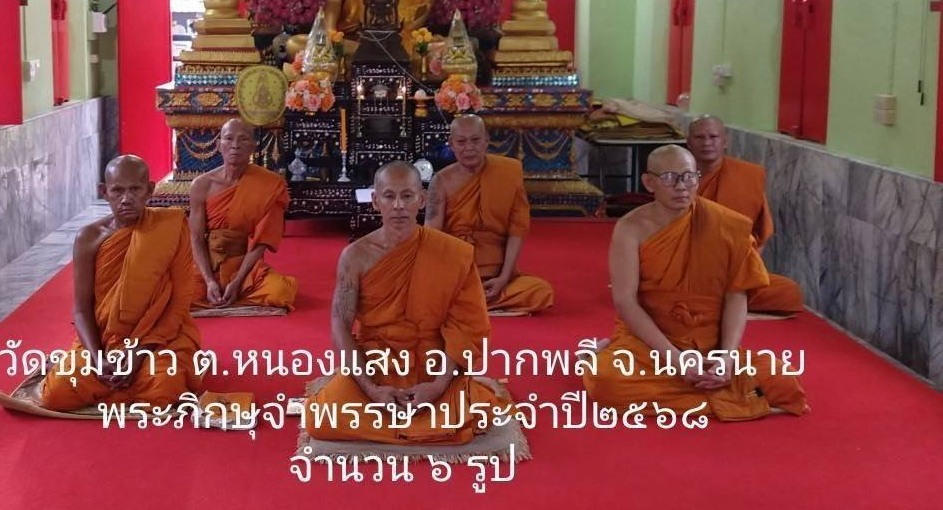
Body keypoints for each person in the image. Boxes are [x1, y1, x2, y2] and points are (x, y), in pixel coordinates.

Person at [582, 145, 807, 420]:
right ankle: (740, 399)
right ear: (649, 183)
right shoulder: (631, 228)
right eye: (669, 178)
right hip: (652, 343)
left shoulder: (726, 225)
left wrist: (726, 358)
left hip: (710, 345)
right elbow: (625, 301)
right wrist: (676, 360)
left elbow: (736, 296)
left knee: (782, 378)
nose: (681, 187)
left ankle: (726, 391)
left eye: (689, 177)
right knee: (607, 382)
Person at [306, 162, 501, 444]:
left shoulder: (452, 253)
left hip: (433, 363)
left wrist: (437, 386)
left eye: (407, 196)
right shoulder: (355, 256)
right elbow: (340, 324)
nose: (398, 206)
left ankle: (418, 419)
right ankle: (425, 427)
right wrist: (371, 389)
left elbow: (466, 325)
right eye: (389, 196)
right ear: (375, 201)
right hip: (376, 362)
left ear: (421, 199)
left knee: (477, 413)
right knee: (321, 420)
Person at [39, 155, 201, 410]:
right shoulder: (89, 238)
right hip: (105, 340)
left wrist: (140, 351)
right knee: (56, 394)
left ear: (150, 189)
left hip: (158, 338)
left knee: (164, 390)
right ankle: (85, 370)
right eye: (117, 190)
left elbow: (180, 300)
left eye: (135, 189)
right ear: (104, 192)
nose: (126, 198)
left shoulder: (171, 226)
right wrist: (97, 359)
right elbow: (81, 310)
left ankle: (115, 384)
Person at [426, 114, 553, 313]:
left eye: (475, 140)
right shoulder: (441, 181)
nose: (469, 148)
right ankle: (473, 303)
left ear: (487, 140)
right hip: (456, 269)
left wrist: (504, 277)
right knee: (424, 288)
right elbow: (432, 236)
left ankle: (465, 304)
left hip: (496, 270)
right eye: (461, 142)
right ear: (451, 144)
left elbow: (517, 230)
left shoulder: (509, 172)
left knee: (541, 292)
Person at [687, 116, 802, 314]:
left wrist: (745, 270)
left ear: (725, 141)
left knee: (790, 292)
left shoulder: (747, 176)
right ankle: (717, 299)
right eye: (700, 137)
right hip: (688, 267)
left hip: (735, 269)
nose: (707, 143)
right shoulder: (679, 177)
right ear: (689, 142)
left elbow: (761, 233)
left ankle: (713, 299)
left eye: (713, 137)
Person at [188, 119, 297, 310]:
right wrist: (209, 281)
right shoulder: (201, 185)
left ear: (253, 146)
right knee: (176, 294)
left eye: (243, 139)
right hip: (208, 264)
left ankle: (235, 289)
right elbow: (196, 238)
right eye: (228, 138)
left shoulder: (271, 185)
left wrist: (238, 280)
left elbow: (261, 241)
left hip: (245, 266)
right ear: (218, 145)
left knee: (280, 291)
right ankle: (216, 288)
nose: (235, 145)